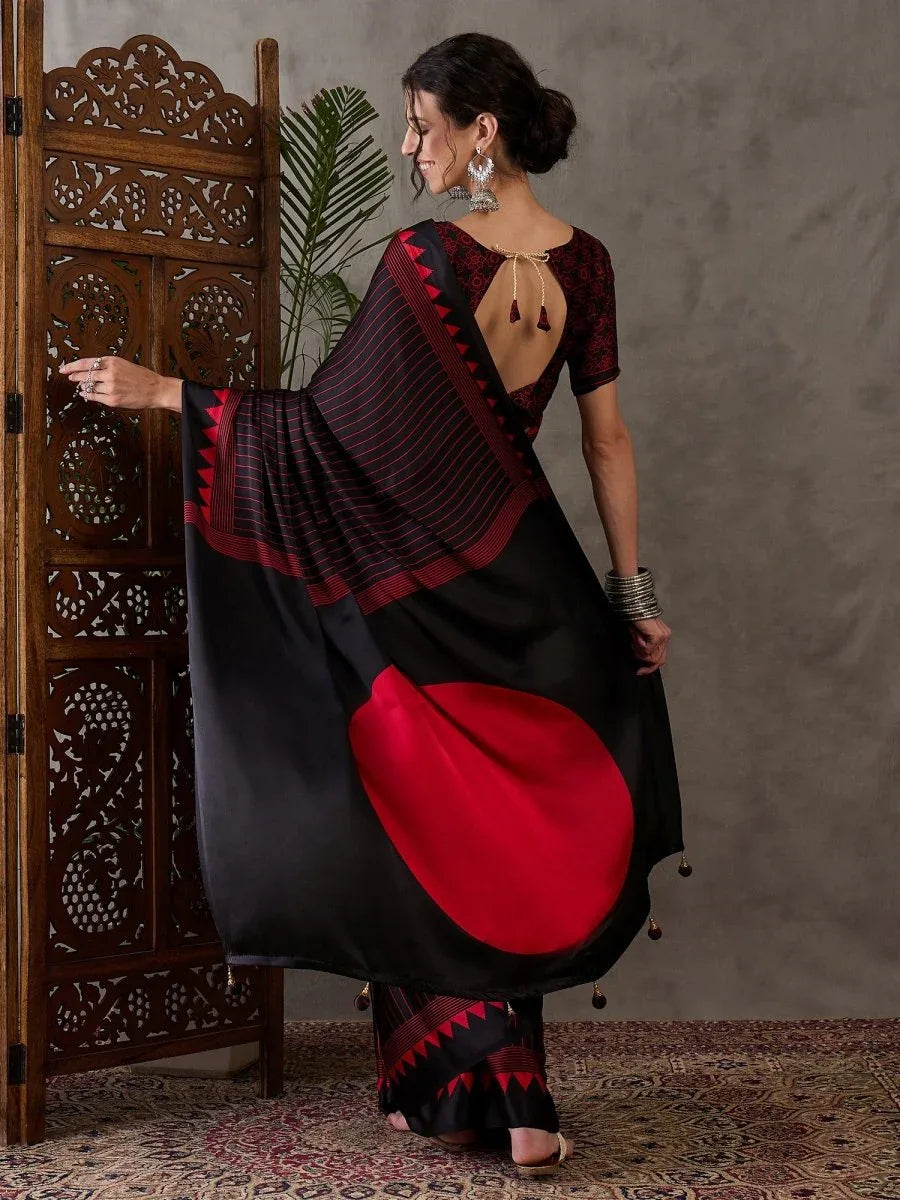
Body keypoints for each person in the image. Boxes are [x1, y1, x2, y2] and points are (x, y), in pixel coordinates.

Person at [58, 31, 679, 1179]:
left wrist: (173, 396)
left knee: (427, 830)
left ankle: (503, 1092)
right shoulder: (587, 263)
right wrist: (629, 592)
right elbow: (607, 440)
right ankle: (486, 1097)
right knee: (499, 837)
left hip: (419, 585)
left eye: (422, 126)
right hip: (532, 584)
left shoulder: (424, 261)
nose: (406, 148)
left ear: (481, 130)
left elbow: (326, 431)